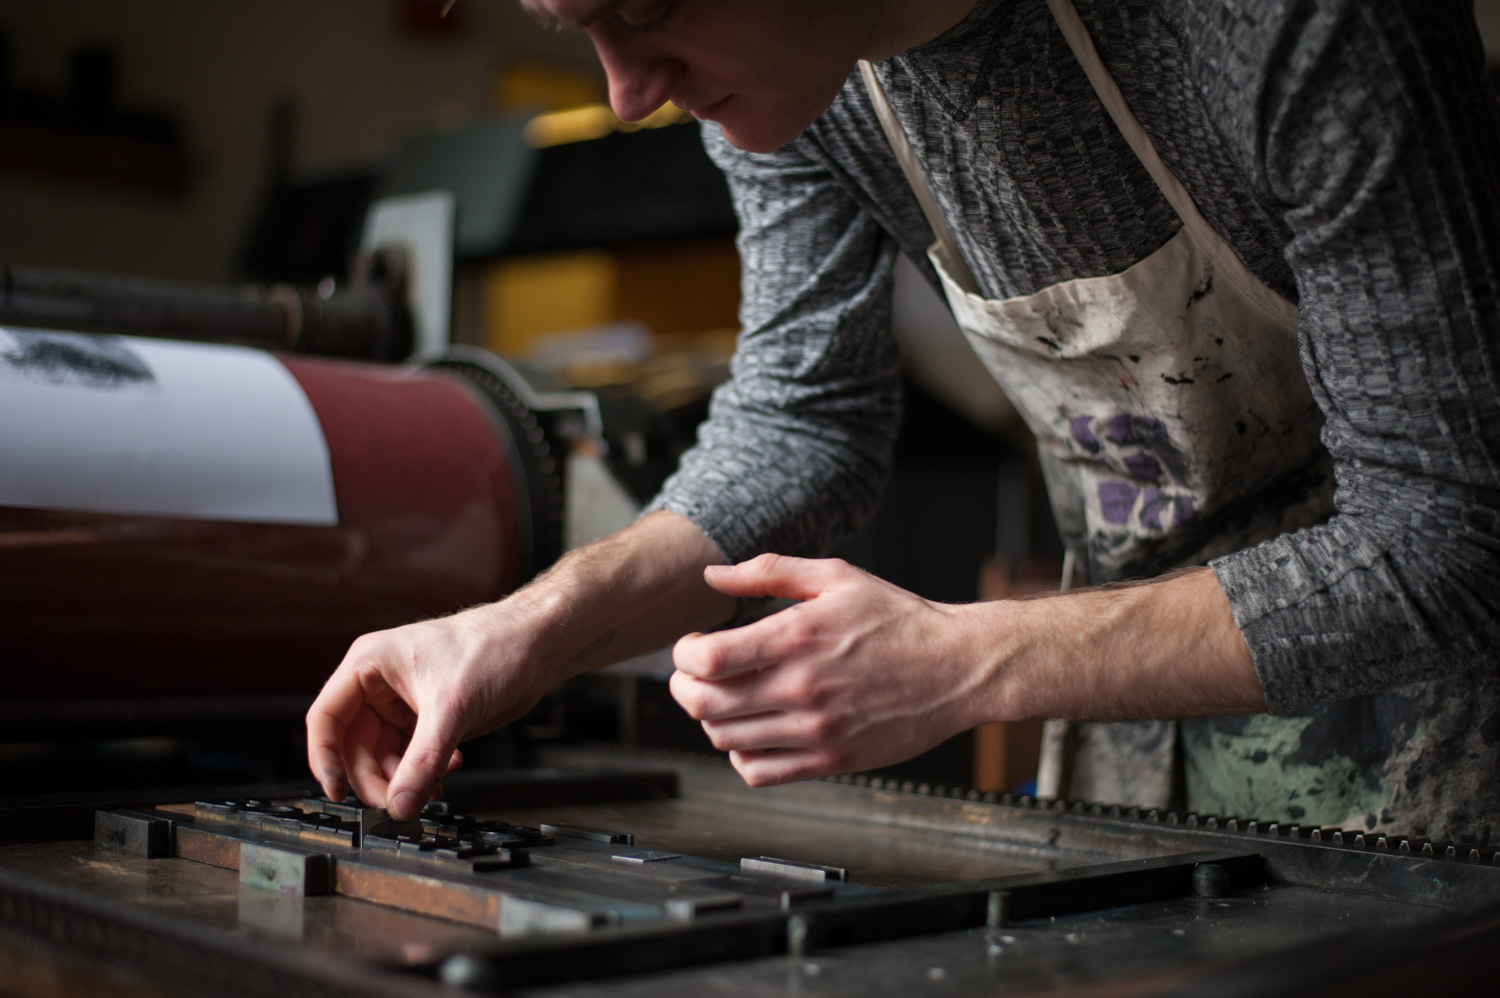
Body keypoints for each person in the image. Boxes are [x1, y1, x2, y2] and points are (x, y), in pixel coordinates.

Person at [307, 0, 1500, 844]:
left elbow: (1448, 537)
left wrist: (967, 658)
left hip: (1448, 736)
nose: (627, 96)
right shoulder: (795, 87)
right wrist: (529, 632)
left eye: (649, 7)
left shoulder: (1277, 25)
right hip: (1139, 725)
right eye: (583, 31)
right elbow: (800, 431)